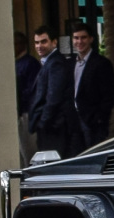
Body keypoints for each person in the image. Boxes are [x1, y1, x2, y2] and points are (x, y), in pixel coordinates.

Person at [28, 25, 80, 159]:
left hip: (55, 127)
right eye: (37, 42)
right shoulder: (49, 62)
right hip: (52, 126)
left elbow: (54, 97)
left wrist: (43, 122)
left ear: (54, 42)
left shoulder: (56, 63)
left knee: (54, 164)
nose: (39, 46)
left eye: (44, 41)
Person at [71, 22, 114, 150]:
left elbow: (110, 95)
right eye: (76, 38)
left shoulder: (102, 63)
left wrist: (99, 119)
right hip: (74, 122)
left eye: (83, 37)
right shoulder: (71, 64)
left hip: (93, 123)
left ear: (91, 39)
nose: (79, 41)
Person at [14, 31, 40, 167]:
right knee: (20, 153)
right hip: (18, 113)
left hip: (27, 114)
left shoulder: (30, 64)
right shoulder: (16, 64)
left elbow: (31, 91)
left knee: (29, 152)